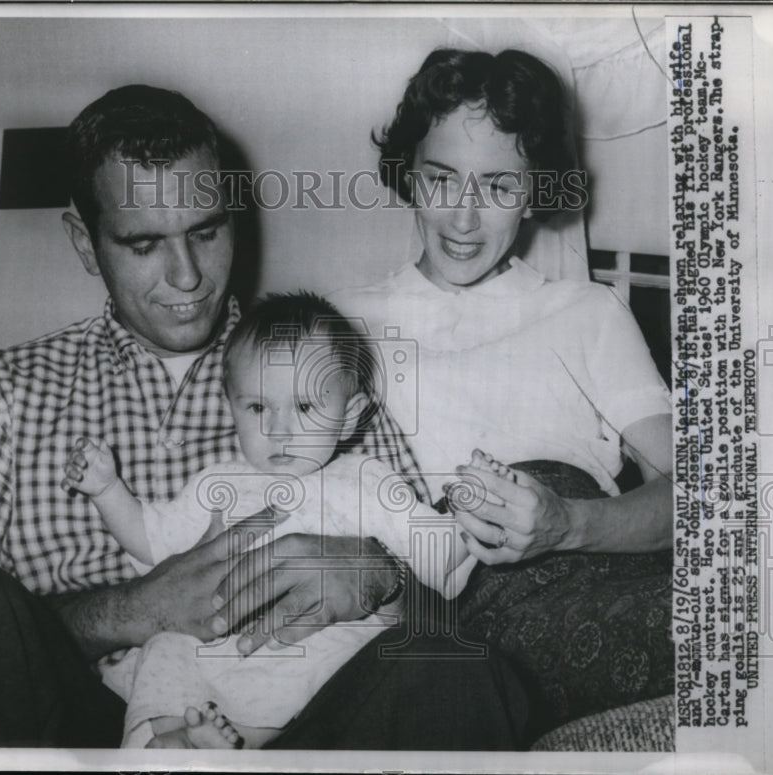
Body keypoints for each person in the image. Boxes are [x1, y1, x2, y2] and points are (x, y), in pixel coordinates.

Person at [0, 83, 528, 749]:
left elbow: (443, 608)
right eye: (143, 244)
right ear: (86, 241)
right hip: (95, 721)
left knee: (458, 674)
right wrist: (129, 611)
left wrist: (380, 580)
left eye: (206, 230)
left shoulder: (320, 371)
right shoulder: (7, 394)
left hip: (304, 724)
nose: (188, 274)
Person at [333, 48, 674, 736]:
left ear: (535, 189)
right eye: (441, 178)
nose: (463, 218)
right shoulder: (345, 326)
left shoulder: (588, 310)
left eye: (496, 186)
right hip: (452, 614)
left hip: (602, 571)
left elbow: (702, 496)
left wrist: (569, 524)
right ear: (409, 173)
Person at [63, 292, 475, 748]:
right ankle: (156, 745)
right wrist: (107, 491)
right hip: (216, 643)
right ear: (231, 407)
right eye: (258, 408)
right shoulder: (217, 484)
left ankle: (234, 743)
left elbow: (439, 554)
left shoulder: (367, 481)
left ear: (350, 415)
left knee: (331, 657)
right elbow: (151, 540)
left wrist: (471, 513)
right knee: (163, 649)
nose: (280, 430)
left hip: (313, 643)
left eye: (304, 408)